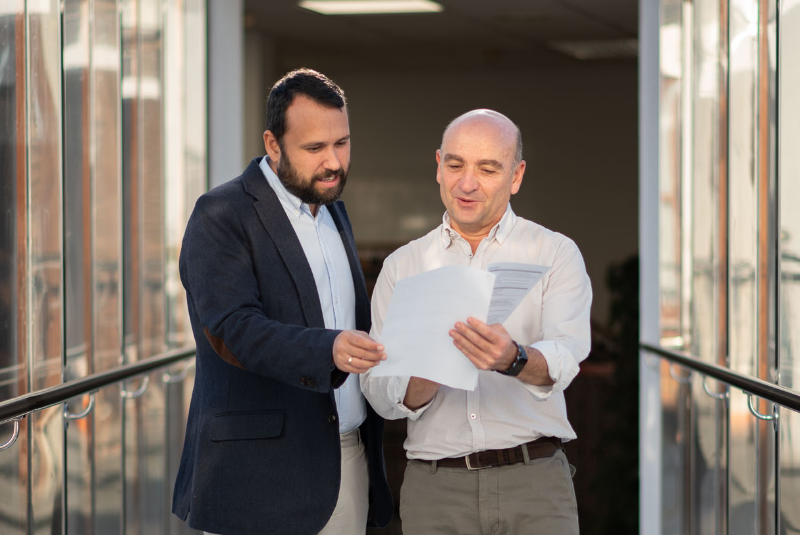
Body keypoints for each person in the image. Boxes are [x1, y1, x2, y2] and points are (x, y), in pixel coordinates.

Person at [172, 69, 393, 535]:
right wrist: (327, 350)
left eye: (342, 143)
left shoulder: (334, 209)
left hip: (346, 462)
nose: (333, 162)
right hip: (259, 478)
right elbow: (233, 329)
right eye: (315, 149)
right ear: (273, 145)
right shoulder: (221, 214)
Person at [361, 109, 592, 534]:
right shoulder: (403, 266)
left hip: (534, 480)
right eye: (455, 165)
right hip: (436, 491)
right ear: (438, 167)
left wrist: (514, 359)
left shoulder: (555, 253)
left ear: (516, 176)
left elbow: (568, 353)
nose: (467, 183)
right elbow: (376, 387)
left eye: (488, 169)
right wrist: (423, 380)